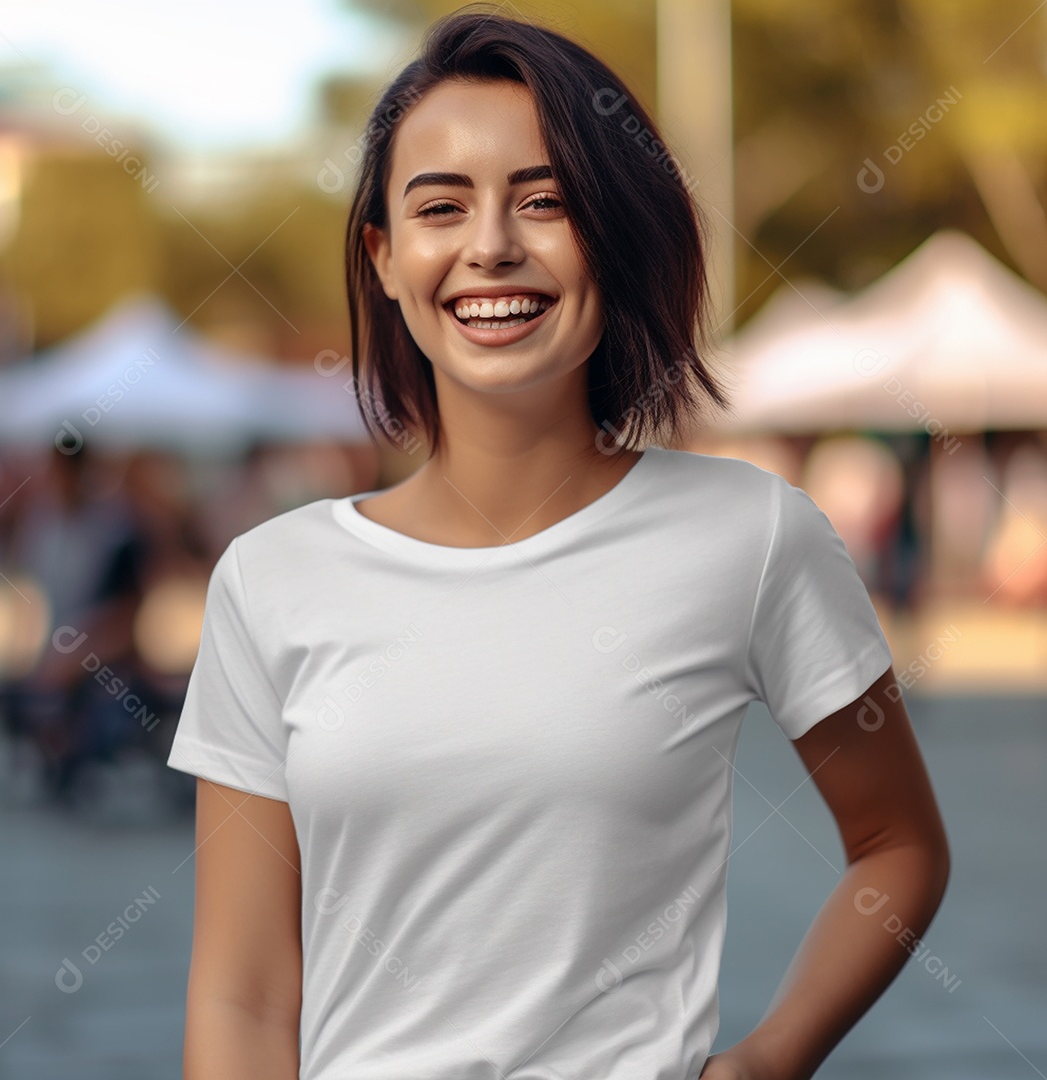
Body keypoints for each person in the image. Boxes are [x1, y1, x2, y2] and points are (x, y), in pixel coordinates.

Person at [166, 7, 950, 1079]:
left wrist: (771, 1056)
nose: (491, 244)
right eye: (442, 206)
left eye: (545, 201)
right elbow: (243, 996)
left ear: (614, 236)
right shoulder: (269, 582)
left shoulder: (753, 536)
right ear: (386, 259)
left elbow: (900, 847)